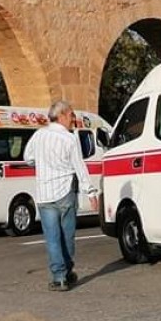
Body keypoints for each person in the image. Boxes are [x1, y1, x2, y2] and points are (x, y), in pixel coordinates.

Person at [24, 100, 98, 292]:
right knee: (67, 236)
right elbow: (79, 167)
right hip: (65, 191)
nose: (74, 119)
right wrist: (91, 192)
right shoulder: (69, 139)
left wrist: (41, 164)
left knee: (52, 238)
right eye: (72, 115)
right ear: (63, 115)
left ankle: (59, 277)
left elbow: (27, 158)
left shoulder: (38, 135)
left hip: (44, 194)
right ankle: (68, 271)